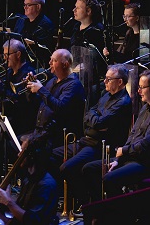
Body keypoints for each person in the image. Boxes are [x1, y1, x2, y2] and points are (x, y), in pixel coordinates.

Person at [82, 68, 150, 198]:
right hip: (130, 158)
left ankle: (121, 214)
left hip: (146, 164)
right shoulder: (145, 108)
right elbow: (133, 135)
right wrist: (119, 159)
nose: (138, 91)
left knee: (109, 178)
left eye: (142, 87)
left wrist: (123, 151)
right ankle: (99, 211)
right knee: (89, 169)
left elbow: (146, 145)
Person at [56, 63, 132, 207]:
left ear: (120, 81)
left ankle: (87, 202)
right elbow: (89, 112)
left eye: (108, 79)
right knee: (52, 155)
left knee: (66, 168)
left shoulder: (123, 102)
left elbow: (98, 123)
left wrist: (94, 117)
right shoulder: (105, 95)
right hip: (86, 141)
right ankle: (66, 200)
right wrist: (94, 116)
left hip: (99, 147)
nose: (105, 82)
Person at [0, 133, 60, 225]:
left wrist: (9, 202)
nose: (19, 154)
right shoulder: (29, 178)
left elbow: (33, 221)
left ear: (32, 155)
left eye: (22, 151)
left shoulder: (46, 185)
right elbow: (18, 209)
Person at [28, 49, 87, 147]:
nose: (49, 63)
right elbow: (40, 103)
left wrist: (41, 89)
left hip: (56, 137)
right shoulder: (52, 81)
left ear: (65, 64)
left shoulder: (73, 85)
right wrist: (32, 88)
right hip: (40, 133)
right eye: (50, 59)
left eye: (54, 60)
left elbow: (60, 107)